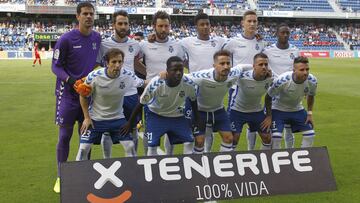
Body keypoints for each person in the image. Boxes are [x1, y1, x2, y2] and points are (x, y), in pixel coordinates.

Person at [51, 2, 101, 193]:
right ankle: (60, 176)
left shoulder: (97, 37)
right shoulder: (66, 39)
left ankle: (85, 174)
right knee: (65, 136)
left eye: (91, 13)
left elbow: (99, 61)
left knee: (86, 136)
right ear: (77, 16)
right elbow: (55, 67)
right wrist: (72, 81)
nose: (88, 17)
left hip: (87, 96)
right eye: (85, 14)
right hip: (68, 96)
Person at [76, 48, 146, 161]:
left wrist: (161, 78)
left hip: (117, 119)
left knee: (130, 146)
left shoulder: (128, 75)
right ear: (107, 63)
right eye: (114, 62)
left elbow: (143, 83)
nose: (117, 65)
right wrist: (86, 118)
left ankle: (132, 173)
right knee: (83, 148)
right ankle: (77, 178)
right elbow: (83, 95)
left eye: (120, 61)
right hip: (95, 119)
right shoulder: (94, 76)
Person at [122, 56, 200, 156]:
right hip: (156, 116)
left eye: (180, 70)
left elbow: (193, 100)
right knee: (152, 146)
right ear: (167, 70)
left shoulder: (189, 83)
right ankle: (152, 167)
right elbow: (141, 103)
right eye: (174, 70)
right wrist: (130, 122)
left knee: (189, 142)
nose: (178, 73)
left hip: (177, 116)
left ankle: (187, 167)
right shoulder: (156, 83)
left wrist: (197, 118)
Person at [96, 10, 144, 157]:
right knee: (107, 130)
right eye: (120, 23)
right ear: (114, 25)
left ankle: (132, 160)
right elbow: (98, 66)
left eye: (126, 24)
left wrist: (153, 77)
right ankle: (107, 160)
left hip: (130, 93)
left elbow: (137, 64)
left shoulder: (135, 45)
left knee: (133, 128)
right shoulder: (104, 44)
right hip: (111, 94)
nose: (123, 26)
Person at [187, 50, 252, 154]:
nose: (226, 66)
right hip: (200, 111)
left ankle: (224, 166)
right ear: (214, 65)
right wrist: (164, 75)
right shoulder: (202, 76)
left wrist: (261, 69)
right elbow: (182, 78)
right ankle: (200, 166)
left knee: (229, 138)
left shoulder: (233, 73)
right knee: (199, 142)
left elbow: (243, 67)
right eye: (222, 63)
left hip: (218, 110)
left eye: (228, 63)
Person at [179, 12, 227, 153]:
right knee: (189, 129)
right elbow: (173, 50)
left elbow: (237, 46)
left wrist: (256, 38)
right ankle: (188, 160)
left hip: (212, 90)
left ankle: (206, 157)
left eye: (207, 24)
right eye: (202, 24)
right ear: (196, 27)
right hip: (193, 90)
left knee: (209, 129)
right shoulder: (186, 42)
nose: (205, 27)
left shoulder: (219, 41)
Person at [139, 11, 185, 155]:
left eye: (166, 26)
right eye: (160, 26)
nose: (164, 29)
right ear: (154, 26)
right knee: (150, 132)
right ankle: (148, 161)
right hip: (152, 93)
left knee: (170, 129)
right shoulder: (144, 45)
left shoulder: (177, 46)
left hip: (173, 93)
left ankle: (169, 158)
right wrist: (149, 77)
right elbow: (134, 61)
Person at [222, 10, 267, 150]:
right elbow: (222, 57)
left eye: (255, 21)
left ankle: (251, 152)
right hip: (237, 89)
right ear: (242, 23)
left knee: (256, 125)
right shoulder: (233, 42)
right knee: (234, 135)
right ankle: (229, 160)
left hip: (257, 88)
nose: (252, 24)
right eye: (249, 21)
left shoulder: (261, 43)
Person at [266, 56, 317, 149]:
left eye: (307, 69)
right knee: (276, 137)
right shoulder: (282, 80)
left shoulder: (312, 80)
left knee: (310, 134)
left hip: (297, 109)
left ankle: (303, 158)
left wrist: (309, 114)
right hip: (278, 109)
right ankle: (275, 160)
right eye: (302, 70)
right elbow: (268, 96)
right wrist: (269, 116)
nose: (305, 72)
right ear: (294, 70)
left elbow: (311, 95)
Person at [263, 23, 300, 148]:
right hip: (273, 91)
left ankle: (290, 152)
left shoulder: (295, 50)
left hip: (291, 90)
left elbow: (298, 69)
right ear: (276, 34)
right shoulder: (268, 50)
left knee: (289, 127)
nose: (285, 35)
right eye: (282, 32)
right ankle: (274, 154)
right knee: (274, 127)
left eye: (287, 33)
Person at [229, 53, 273, 150]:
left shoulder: (270, 78)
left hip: (256, 111)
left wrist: (269, 116)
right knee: (234, 139)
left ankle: (264, 160)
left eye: (266, 64)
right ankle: (229, 162)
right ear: (253, 66)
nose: (264, 67)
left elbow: (270, 96)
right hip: (237, 111)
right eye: (260, 64)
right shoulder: (242, 77)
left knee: (267, 138)